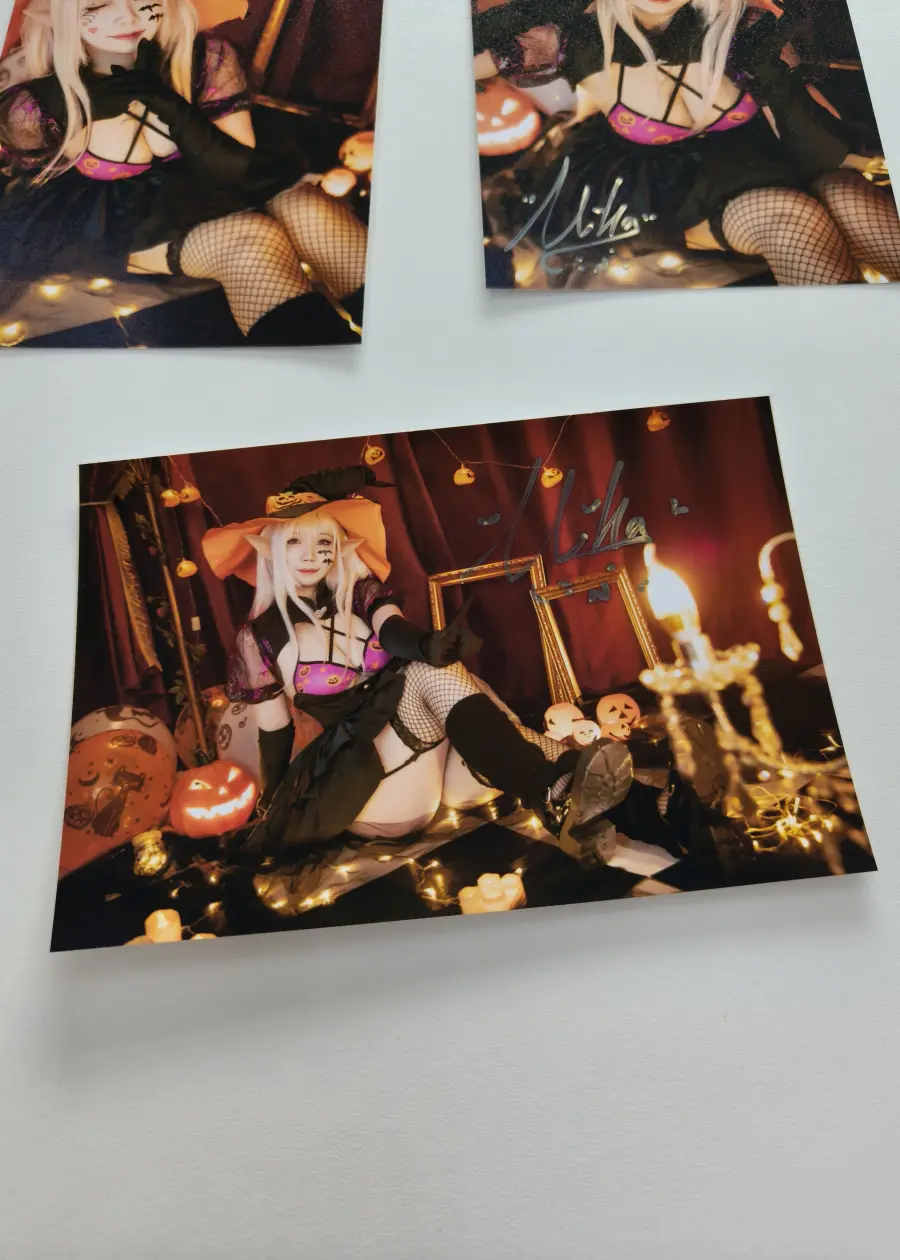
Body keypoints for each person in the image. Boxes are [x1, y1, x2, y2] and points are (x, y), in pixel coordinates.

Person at [201, 464, 637, 867]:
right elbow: (274, 730)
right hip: (373, 781)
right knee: (430, 673)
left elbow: (391, 629)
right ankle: (554, 788)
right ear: (274, 549)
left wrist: (426, 643)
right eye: (295, 542)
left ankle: (602, 798)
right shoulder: (258, 637)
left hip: (437, 767)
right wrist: (275, 803)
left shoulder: (360, 592)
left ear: (338, 550)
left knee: (482, 709)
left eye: (323, 543)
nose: (310, 556)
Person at [0, 0, 367, 342]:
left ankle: (395, 344)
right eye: (99, 3)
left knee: (310, 209)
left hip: (222, 180)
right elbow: (29, 187)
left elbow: (236, 167)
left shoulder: (205, 58)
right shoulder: (40, 105)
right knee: (250, 241)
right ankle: (325, 379)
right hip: (122, 219)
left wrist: (168, 104)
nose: (128, 15)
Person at [474, 0, 900, 285]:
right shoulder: (571, 40)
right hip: (663, 188)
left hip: (764, 157)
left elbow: (811, 131)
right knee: (790, 217)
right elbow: (445, 59)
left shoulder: (747, 27)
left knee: (849, 198)